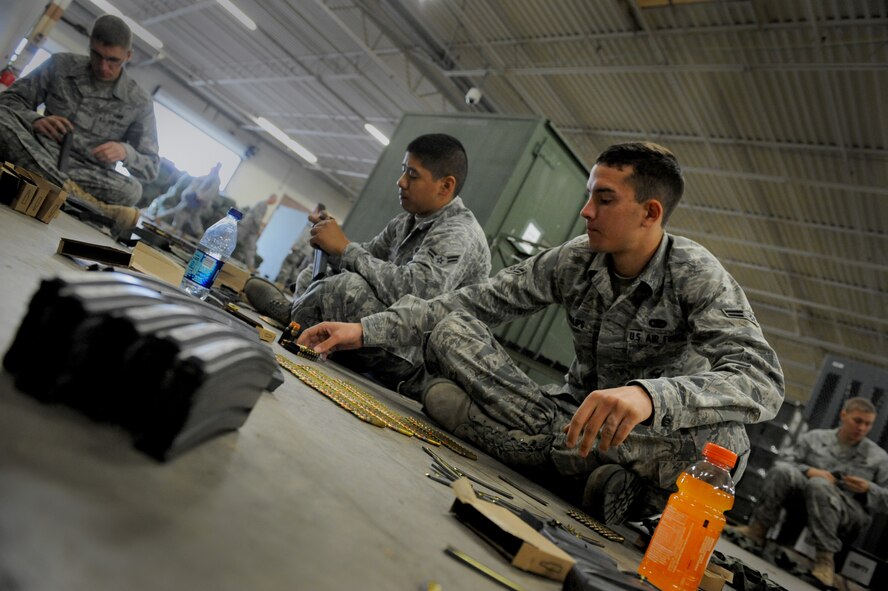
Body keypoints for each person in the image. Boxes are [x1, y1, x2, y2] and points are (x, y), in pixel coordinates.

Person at [296, 142, 785, 524]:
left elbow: (762, 381)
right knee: (450, 328)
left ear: (651, 212)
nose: (586, 211)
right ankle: (571, 466)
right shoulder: (577, 258)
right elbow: (473, 301)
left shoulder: (694, 272)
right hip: (566, 416)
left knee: (724, 442)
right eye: (589, 195)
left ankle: (515, 445)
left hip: (645, 439)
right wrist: (365, 330)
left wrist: (649, 397)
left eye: (604, 199)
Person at [250, 133, 491, 398]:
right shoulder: (405, 222)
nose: (401, 182)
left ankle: (293, 318)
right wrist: (331, 242)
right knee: (316, 272)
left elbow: (415, 296)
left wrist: (345, 248)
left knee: (347, 288)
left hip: (414, 353)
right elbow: (365, 258)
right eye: (403, 171)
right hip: (385, 326)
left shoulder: (458, 232)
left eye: (412, 174)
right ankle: (301, 318)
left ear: (445, 186)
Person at [0, 15, 159, 229]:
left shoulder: (139, 101)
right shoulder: (61, 65)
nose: (103, 66)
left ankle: (56, 186)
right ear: (90, 45)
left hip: (87, 172)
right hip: (41, 148)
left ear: (128, 56)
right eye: (97, 55)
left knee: (132, 190)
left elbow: (151, 168)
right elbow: (8, 101)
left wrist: (125, 152)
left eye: (113, 60)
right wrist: (34, 120)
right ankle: (81, 201)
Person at [727, 397, 888, 587]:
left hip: (848, 511)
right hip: (805, 498)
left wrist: (869, 488)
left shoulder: (878, 458)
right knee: (783, 471)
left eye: (868, 424)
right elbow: (784, 460)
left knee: (819, 485)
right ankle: (757, 529)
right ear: (844, 415)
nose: (862, 428)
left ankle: (825, 561)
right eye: (858, 421)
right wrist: (809, 471)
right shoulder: (816, 438)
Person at [148, 163, 222, 238]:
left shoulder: (215, 180)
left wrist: (200, 198)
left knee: (186, 214)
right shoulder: (207, 177)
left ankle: (175, 227)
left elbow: (210, 192)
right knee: (183, 212)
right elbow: (195, 185)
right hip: (192, 197)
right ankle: (165, 221)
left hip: (198, 200)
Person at [275, 202, 327, 290]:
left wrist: (296, 246)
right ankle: (294, 288)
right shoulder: (320, 224)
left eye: (315, 209)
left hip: (300, 248)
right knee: (295, 269)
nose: (312, 210)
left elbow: (305, 236)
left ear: (318, 211)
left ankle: (280, 283)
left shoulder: (314, 222)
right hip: (306, 251)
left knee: (288, 263)